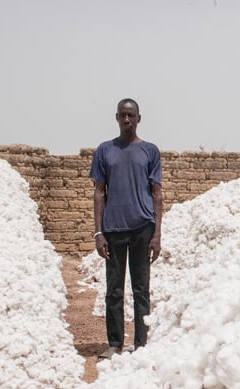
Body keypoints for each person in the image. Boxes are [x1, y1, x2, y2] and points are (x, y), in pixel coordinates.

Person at [90, 98, 163, 359]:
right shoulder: (104, 150)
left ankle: (142, 344)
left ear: (139, 118)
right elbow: (99, 193)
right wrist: (98, 233)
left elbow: (157, 194)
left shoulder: (150, 151)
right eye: (123, 115)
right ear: (117, 118)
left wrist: (157, 234)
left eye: (131, 115)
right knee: (114, 290)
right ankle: (115, 344)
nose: (127, 120)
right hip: (114, 229)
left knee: (141, 289)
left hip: (143, 227)